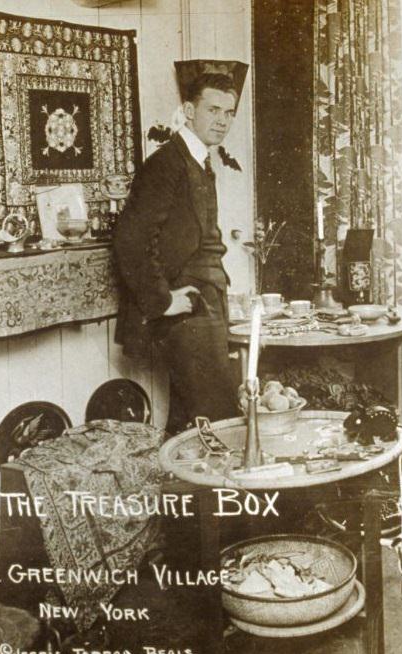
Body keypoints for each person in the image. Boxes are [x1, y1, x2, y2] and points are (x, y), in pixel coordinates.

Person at [112, 71, 242, 434]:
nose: (222, 120)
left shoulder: (198, 160)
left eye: (229, 113)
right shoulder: (166, 163)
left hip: (207, 299)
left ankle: (178, 490)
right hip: (188, 308)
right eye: (213, 109)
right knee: (218, 418)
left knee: (190, 420)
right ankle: (212, 492)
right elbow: (131, 239)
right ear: (188, 110)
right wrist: (162, 300)